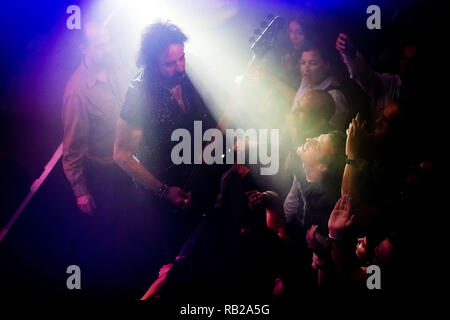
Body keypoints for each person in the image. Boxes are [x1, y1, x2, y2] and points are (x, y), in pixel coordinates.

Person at [114, 21, 216, 261]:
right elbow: (121, 155)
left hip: (198, 179)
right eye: (170, 64)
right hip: (164, 195)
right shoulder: (139, 95)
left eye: (182, 58)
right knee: (181, 262)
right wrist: (164, 191)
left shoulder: (187, 74)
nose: (180, 67)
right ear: (151, 62)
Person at [61, 21, 133, 297]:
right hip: (107, 174)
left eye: (108, 41)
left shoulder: (116, 67)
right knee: (117, 236)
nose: (108, 48)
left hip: (132, 160)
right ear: (84, 48)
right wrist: (81, 192)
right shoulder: (77, 91)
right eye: (100, 45)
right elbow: (72, 149)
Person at [292, 44, 349, 130]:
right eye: (303, 63)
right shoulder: (306, 82)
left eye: (313, 63)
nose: (306, 68)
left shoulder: (334, 96)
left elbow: (332, 136)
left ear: (326, 64)